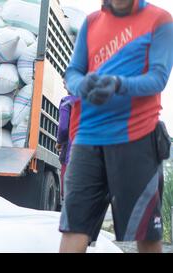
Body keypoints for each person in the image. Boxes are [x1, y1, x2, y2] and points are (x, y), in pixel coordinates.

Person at [60, 0, 173, 253]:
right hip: (87, 139)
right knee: (73, 227)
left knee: (146, 234)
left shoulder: (161, 20)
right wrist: (82, 85)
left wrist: (118, 84)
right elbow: (73, 72)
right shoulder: (91, 22)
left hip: (137, 137)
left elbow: (158, 78)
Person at [56, 95, 76, 201]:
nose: (63, 82)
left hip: (71, 156)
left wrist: (59, 141)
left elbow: (63, 128)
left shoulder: (66, 102)